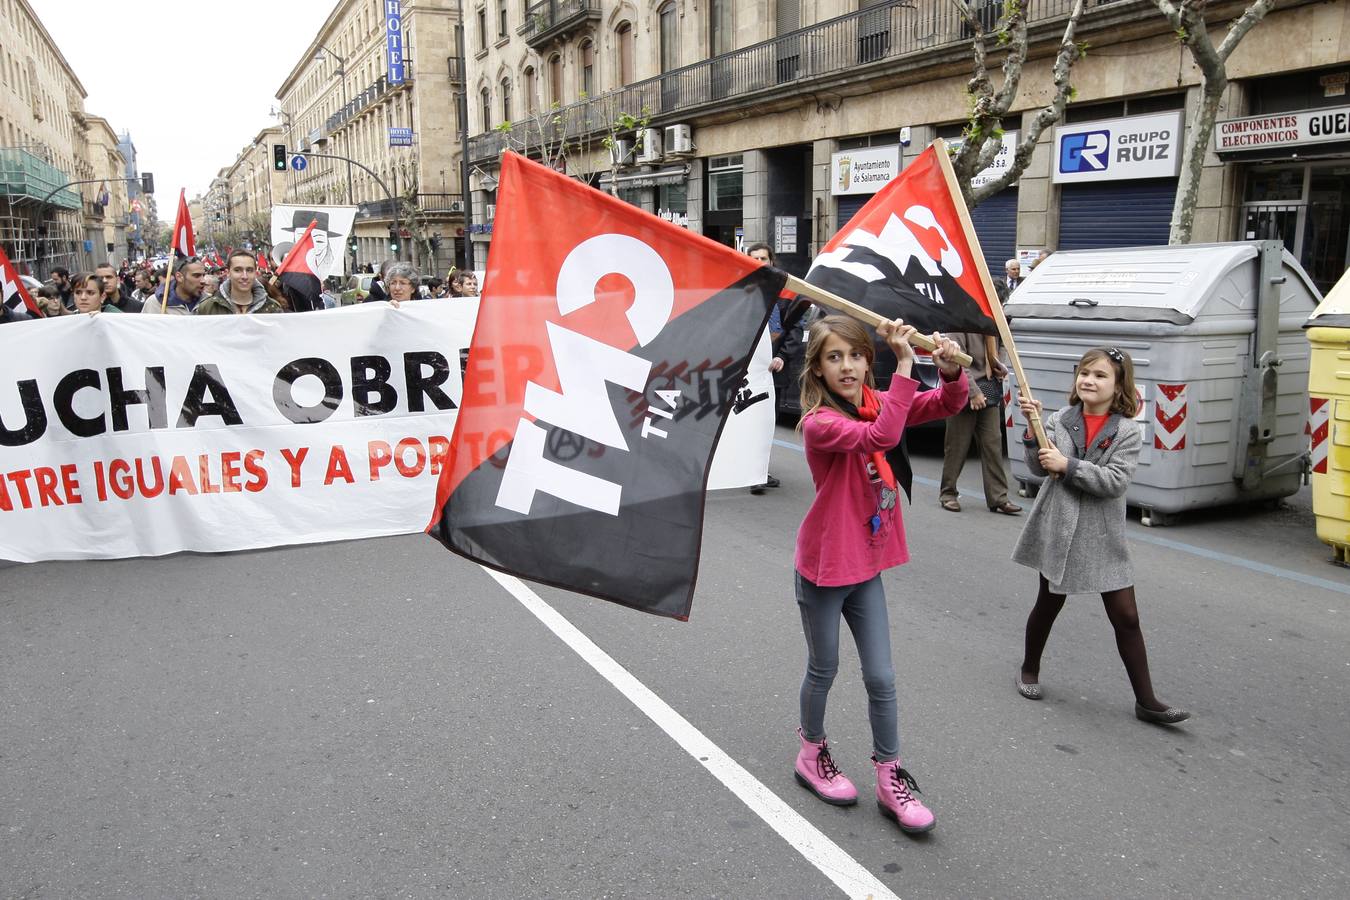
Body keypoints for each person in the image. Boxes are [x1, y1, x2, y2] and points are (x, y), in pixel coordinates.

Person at [791, 314, 967, 835]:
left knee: (882, 677)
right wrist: (908, 362)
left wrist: (950, 369)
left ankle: (890, 778)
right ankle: (810, 754)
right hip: (824, 568)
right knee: (824, 670)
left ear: (870, 358)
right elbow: (883, 435)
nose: (847, 366)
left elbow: (945, 405)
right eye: (834, 357)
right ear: (818, 371)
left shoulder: (873, 400)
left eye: (856, 354)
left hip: (864, 565)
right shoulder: (820, 422)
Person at [1012, 347, 1189, 724]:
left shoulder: (1126, 431)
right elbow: (1038, 468)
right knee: (1048, 603)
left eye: (1100, 375)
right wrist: (1033, 428)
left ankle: (1146, 700)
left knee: (1126, 615)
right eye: (1084, 373)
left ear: (1118, 385)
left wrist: (1069, 465)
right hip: (1058, 523)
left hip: (1101, 533)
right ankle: (1029, 669)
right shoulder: (1060, 418)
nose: (1089, 380)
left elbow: (1115, 482)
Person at [939, 331, 1021, 515]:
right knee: (957, 446)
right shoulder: (960, 322)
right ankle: (948, 494)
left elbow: (1002, 343)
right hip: (963, 390)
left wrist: (999, 364)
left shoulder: (991, 320)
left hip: (989, 387)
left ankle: (999, 498)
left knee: (993, 444)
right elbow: (956, 360)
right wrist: (973, 392)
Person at [746, 242, 786, 495]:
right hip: (748, 372)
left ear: (772, 261)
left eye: (764, 258)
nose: (761, 263)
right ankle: (754, 474)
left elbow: (792, 331)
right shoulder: (742, 293)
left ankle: (760, 469)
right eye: (755, 259)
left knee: (769, 422)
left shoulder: (785, 294)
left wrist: (781, 355)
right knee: (752, 420)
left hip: (776, 371)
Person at [195, 250, 282, 315]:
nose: (244, 276)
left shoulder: (272, 308)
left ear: (255, 273)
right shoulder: (208, 308)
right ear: (228, 273)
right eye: (238, 270)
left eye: (249, 270)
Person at [142, 258, 208, 315]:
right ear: (179, 277)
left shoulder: (210, 303)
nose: (203, 281)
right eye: (196, 276)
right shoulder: (155, 304)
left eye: (203, 275)